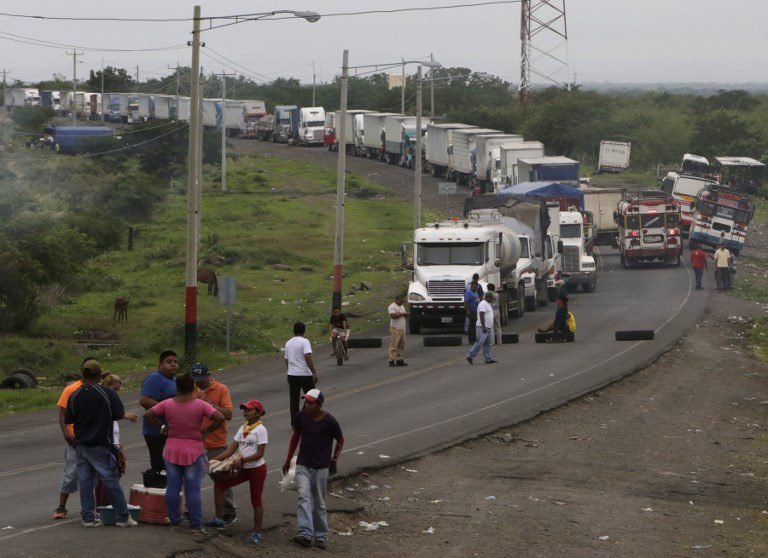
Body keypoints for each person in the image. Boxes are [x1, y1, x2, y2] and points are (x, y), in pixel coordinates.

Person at [143, 373, 224, 534]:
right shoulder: (200, 405)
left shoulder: (167, 404)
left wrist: (162, 428)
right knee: (192, 489)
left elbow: (148, 414)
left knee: (173, 487)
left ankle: (175, 522)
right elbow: (220, 417)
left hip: (172, 448)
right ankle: (195, 524)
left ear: (177, 388)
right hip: (194, 449)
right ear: (193, 387)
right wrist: (207, 430)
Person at [65, 359, 139, 527]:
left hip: (81, 445)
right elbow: (119, 413)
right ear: (99, 375)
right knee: (110, 480)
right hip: (101, 444)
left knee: (85, 482)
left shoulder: (74, 394)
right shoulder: (106, 393)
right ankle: (122, 517)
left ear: (83, 374)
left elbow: (69, 418)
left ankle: (88, 518)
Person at [282, 389, 344, 550]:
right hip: (303, 464)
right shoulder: (301, 417)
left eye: (310, 402)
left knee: (319, 503)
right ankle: (305, 533)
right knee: (303, 497)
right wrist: (288, 460)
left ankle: (321, 536)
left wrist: (334, 461)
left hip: (321, 467)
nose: (306, 405)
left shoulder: (329, 421)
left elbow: (340, 440)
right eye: (306, 402)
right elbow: (295, 438)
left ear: (319, 404)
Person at [206, 400, 268, 545]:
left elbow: (260, 454)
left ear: (258, 413)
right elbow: (230, 450)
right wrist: (213, 460)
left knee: (256, 499)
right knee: (219, 485)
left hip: (256, 469)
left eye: (249, 410)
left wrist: (243, 460)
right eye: (244, 410)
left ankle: (257, 532)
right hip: (242, 467)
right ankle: (218, 519)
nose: (245, 413)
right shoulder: (243, 427)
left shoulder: (261, 429)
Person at [192, 363, 235, 525]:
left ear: (209, 376)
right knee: (192, 478)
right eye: (196, 380)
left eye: (202, 379)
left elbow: (228, 414)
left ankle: (229, 510)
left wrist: (208, 403)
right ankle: (191, 510)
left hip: (216, 443)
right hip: (195, 443)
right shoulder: (191, 389)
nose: (200, 383)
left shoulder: (221, 389)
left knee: (220, 478)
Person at [53, 357, 93, 519]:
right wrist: (67, 434)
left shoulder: (97, 388)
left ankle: (94, 508)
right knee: (71, 474)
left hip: (94, 439)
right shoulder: (71, 389)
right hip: (75, 440)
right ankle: (62, 506)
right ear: (82, 370)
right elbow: (62, 414)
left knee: (98, 474)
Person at [95, 374, 136, 505]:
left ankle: (102, 506)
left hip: (114, 443)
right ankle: (105, 506)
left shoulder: (109, 399)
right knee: (110, 477)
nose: (116, 393)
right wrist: (125, 415)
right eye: (115, 389)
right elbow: (113, 414)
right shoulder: (104, 399)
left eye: (118, 390)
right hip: (108, 445)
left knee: (104, 478)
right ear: (107, 387)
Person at [139, 350, 179, 473]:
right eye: (169, 362)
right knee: (161, 468)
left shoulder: (173, 380)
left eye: (175, 362)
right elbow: (144, 400)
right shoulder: (155, 378)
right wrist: (166, 408)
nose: (173, 364)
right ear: (160, 364)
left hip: (171, 430)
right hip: (156, 431)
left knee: (172, 466)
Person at [285, 322, 319, 426]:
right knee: (312, 398)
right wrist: (313, 372)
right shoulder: (305, 342)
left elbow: (286, 359)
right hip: (304, 374)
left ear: (293, 330)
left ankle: (295, 422)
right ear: (304, 331)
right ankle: (311, 418)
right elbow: (307, 356)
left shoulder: (288, 343)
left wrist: (289, 369)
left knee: (294, 400)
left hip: (292, 374)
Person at [466, 292, 498, 364]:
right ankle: (470, 356)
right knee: (480, 342)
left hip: (489, 327)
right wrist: (483, 327)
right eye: (492, 298)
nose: (492, 299)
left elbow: (488, 314)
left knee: (488, 344)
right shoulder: (483, 304)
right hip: (482, 327)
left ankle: (488, 358)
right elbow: (481, 314)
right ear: (488, 297)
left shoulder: (488, 304)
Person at [387, 294, 408, 367]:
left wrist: (406, 314)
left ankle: (399, 359)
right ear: (397, 300)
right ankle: (391, 360)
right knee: (394, 345)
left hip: (402, 328)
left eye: (403, 301)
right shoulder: (392, 306)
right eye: (401, 301)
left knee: (401, 345)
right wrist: (402, 314)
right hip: (395, 328)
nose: (402, 303)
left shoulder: (402, 306)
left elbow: (404, 315)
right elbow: (393, 316)